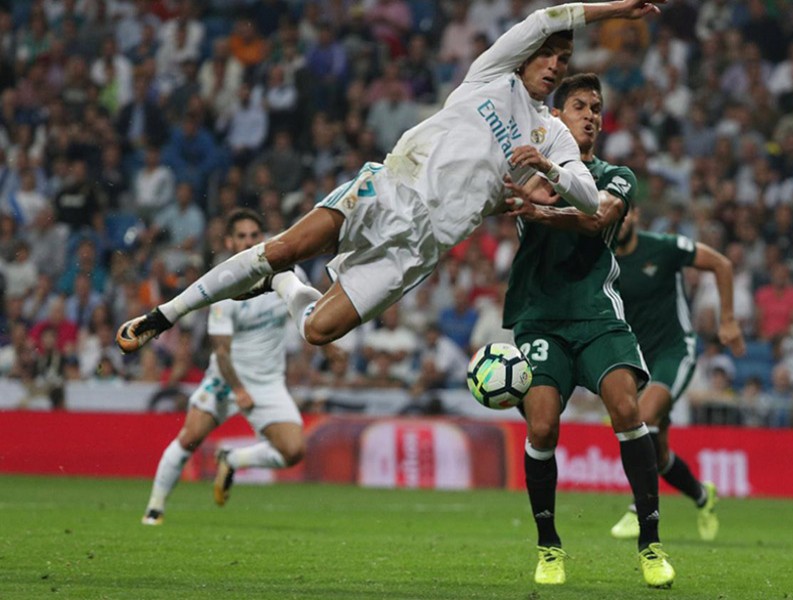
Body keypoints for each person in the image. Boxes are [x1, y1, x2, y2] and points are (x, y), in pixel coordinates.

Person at [116, 1, 667, 356]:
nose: (553, 61)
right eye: (547, 54)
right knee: (284, 247)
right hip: (386, 191)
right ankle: (163, 315)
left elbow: (589, 198)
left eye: (562, 58)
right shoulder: (490, 76)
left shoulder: (551, 136)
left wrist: (546, 168)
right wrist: (614, 10)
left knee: (316, 331)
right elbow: (545, 18)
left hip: (418, 249)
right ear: (526, 58)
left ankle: (282, 288)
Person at [501, 73, 674, 588]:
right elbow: (505, 200)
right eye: (580, 106)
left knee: (627, 408)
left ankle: (651, 543)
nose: (592, 116)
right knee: (543, 427)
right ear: (556, 117)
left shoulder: (617, 174)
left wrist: (540, 208)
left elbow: (598, 218)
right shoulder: (530, 171)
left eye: (597, 108)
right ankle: (549, 547)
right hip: (540, 318)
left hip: (597, 315)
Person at [141, 209, 309, 526]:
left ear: (263, 238)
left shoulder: (290, 273)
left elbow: (306, 311)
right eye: (242, 236)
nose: (249, 241)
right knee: (189, 438)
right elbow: (220, 349)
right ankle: (155, 508)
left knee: (294, 450)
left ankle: (233, 459)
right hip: (226, 378)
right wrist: (239, 389)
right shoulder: (224, 288)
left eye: (254, 235)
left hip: (268, 382)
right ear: (230, 242)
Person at [608, 205, 746, 541]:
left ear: (636, 215)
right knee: (660, 454)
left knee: (641, 417)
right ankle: (703, 496)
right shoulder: (603, 258)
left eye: (624, 212)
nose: (620, 219)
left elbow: (721, 264)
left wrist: (727, 320)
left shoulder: (664, 247)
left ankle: (638, 510)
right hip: (637, 358)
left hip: (675, 351)